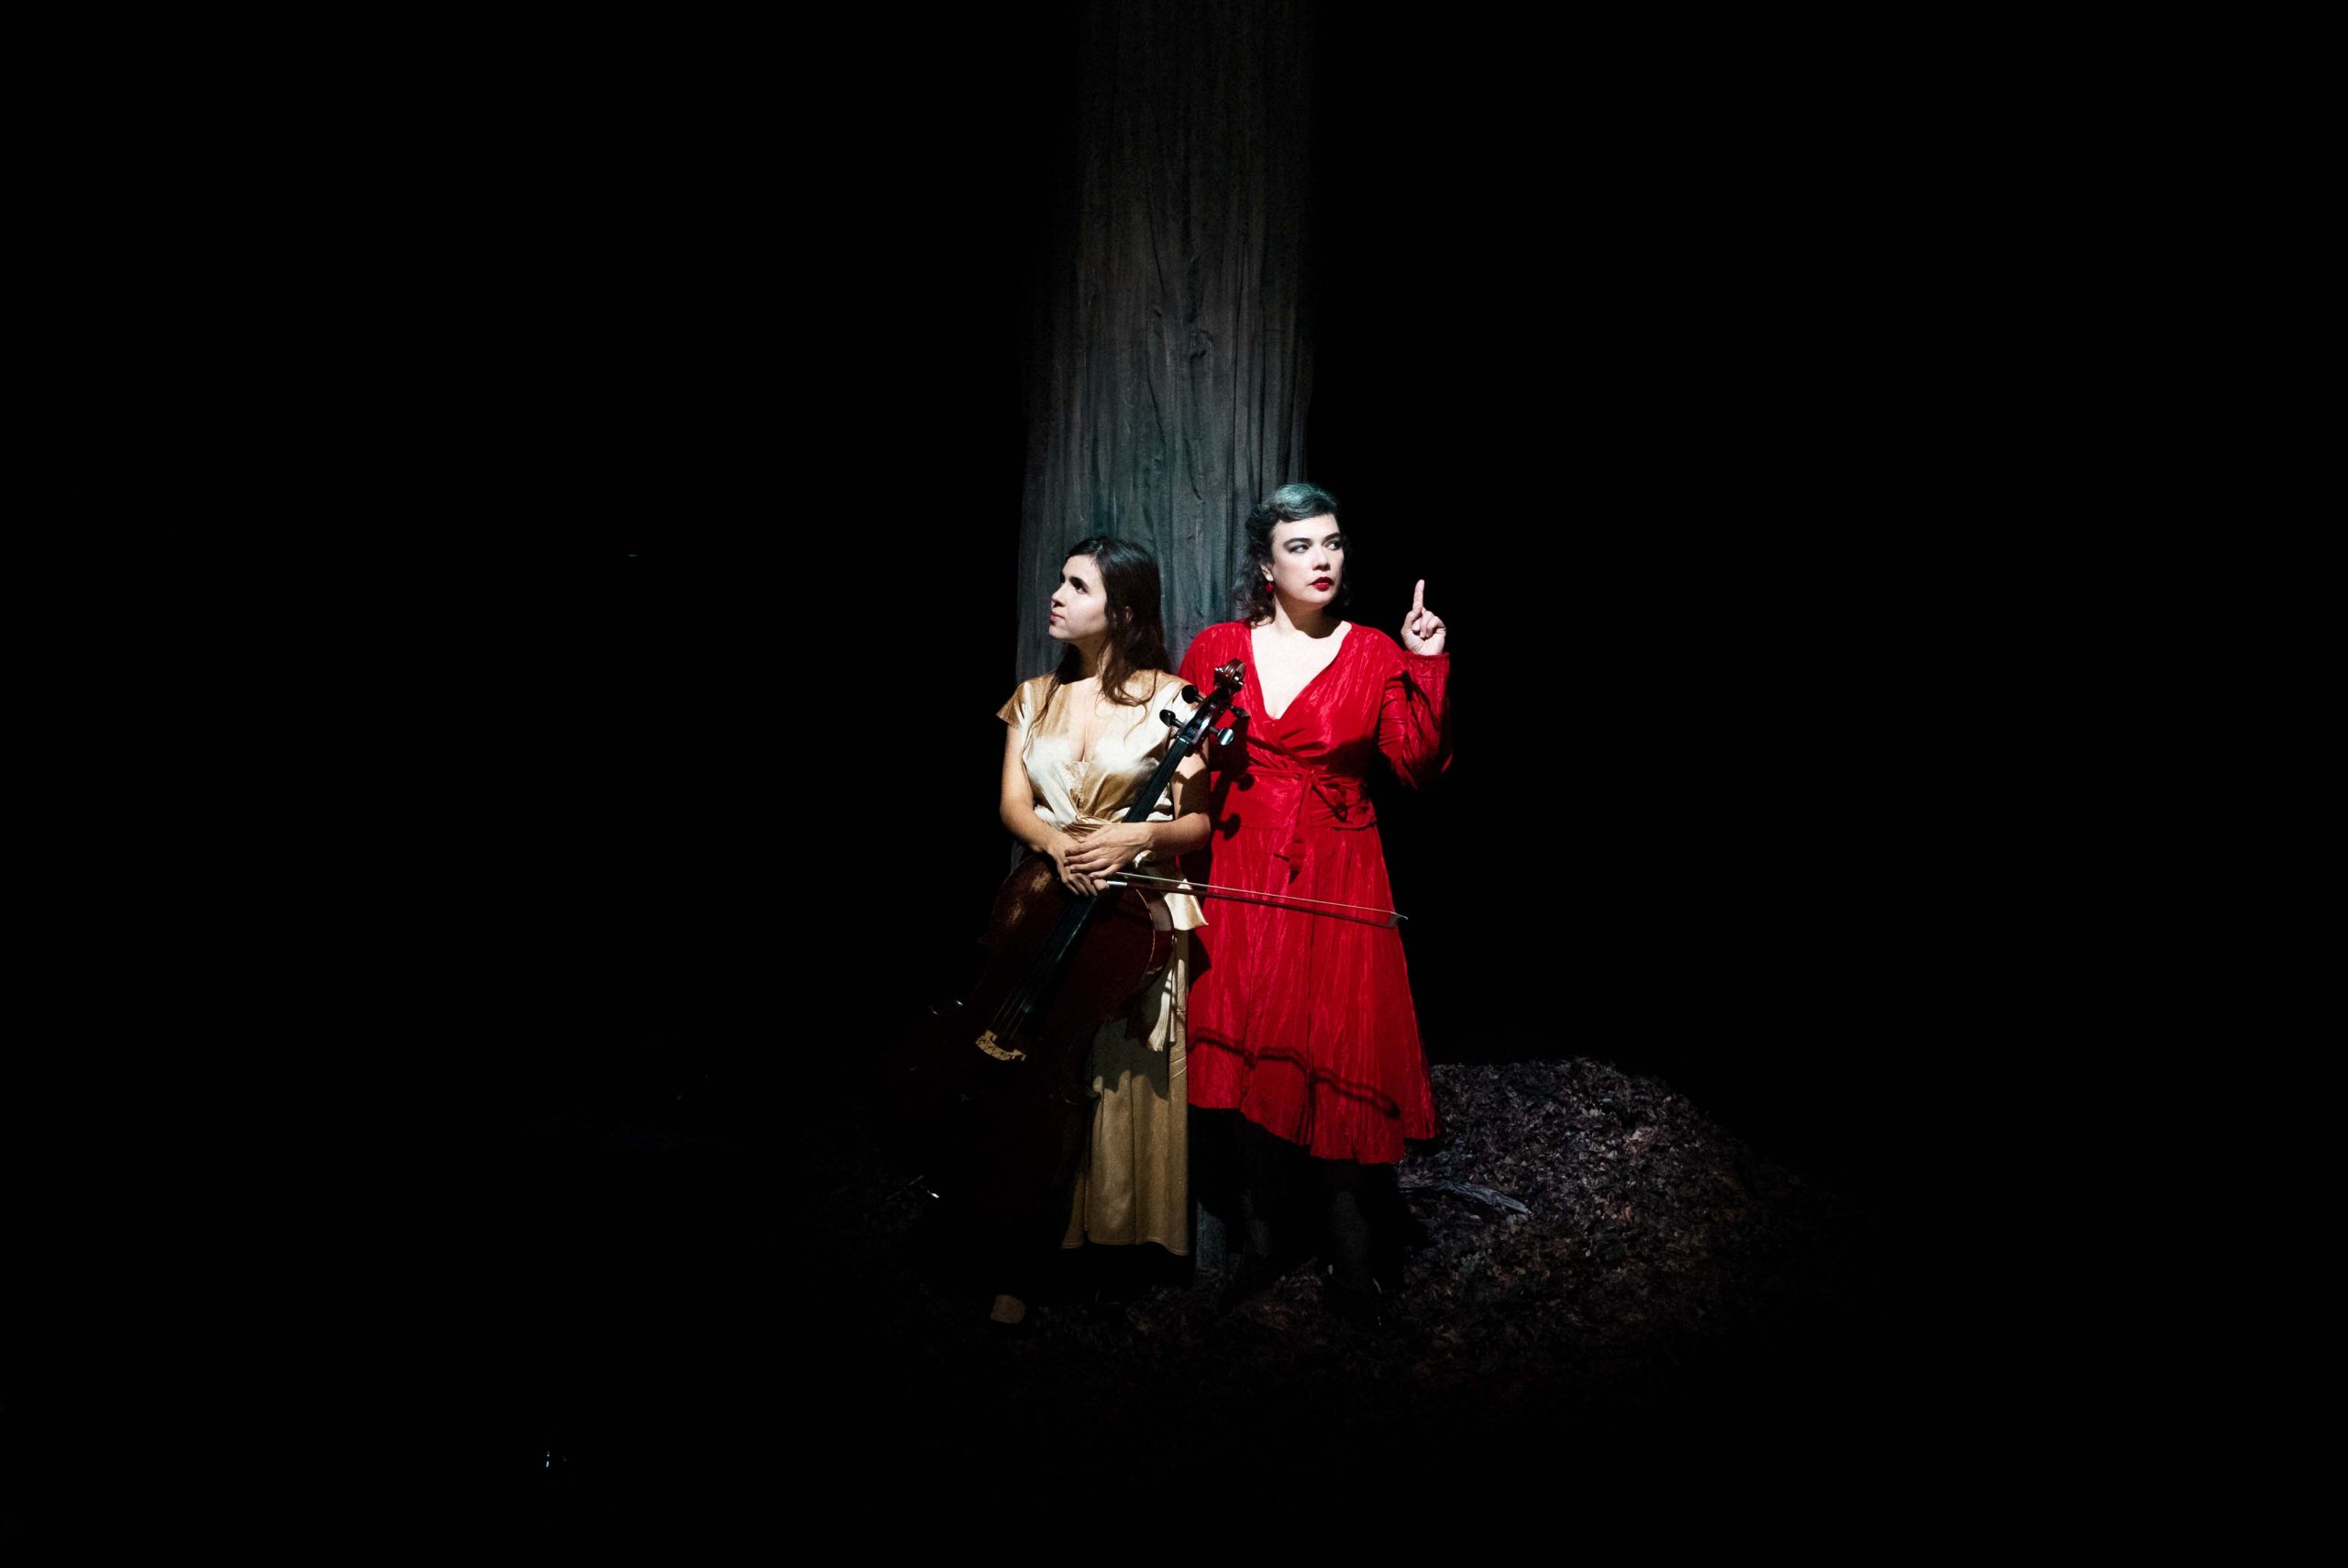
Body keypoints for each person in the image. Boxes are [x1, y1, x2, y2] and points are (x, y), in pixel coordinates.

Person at [1174, 481, 1450, 1323]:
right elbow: (1190, 760)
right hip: (1243, 866)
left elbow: (1416, 768)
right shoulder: (1219, 649)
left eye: (1331, 543)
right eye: (1299, 546)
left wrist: (1426, 663)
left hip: (1339, 869)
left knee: (1338, 1052)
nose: (1322, 558)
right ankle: (1262, 1244)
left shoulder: (1372, 652)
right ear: (1266, 567)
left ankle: (1354, 1261)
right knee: (1249, 1047)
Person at [987, 536, 1212, 1328]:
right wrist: (1057, 846)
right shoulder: (1032, 696)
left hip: (1129, 914)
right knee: (1033, 1074)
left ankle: (1113, 1251)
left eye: (1077, 586)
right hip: (1045, 903)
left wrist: (1135, 837)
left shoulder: (1173, 699)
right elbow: (1013, 805)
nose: (1057, 595)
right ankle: (1020, 1250)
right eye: (1059, 581)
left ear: (1122, 611)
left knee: (1118, 1077)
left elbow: (1196, 822)